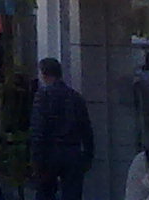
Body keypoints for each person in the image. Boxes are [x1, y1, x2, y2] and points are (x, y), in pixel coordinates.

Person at [29, 57, 94, 200]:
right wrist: (88, 155)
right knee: (72, 194)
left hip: (49, 153)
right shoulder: (75, 97)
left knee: (45, 193)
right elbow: (86, 128)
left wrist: (36, 158)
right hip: (72, 151)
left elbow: (38, 129)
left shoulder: (43, 97)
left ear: (44, 74)